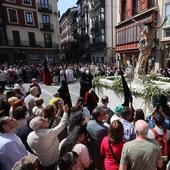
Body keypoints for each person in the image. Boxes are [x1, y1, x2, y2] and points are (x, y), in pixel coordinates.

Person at [27, 105, 69, 170]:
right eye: (43, 120)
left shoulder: (30, 136)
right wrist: (65, 112)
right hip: (54, 161)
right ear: (41, 127)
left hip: (44, 162)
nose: (44, 119)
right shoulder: (48, 134)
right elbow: (62, 125)